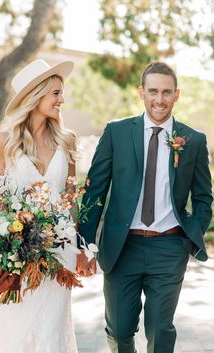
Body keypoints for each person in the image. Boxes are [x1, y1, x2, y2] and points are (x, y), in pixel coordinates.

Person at [78, 61, 213, 353]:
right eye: (153, 91)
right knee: (119, 329)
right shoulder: (116, 132)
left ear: (176, 95)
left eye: (166, 92)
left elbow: (204, 198)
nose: (159, 99)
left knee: (161, 330)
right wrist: (84, 245)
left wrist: (189, 240)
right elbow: (95, 192)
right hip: (121, 246)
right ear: (142, 92)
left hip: (169, 248)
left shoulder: (193, 140)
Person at [0, 59, 80, 353]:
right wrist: (6, 245)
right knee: (16, 322)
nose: (62, 99)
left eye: (62, 93)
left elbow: (70, 201)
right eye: (55, 93)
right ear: (35, 95)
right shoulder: (3, 142)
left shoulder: (67, 140)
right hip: (20, 254)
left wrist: (82, 248)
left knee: (52, 325)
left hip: (62, 251)